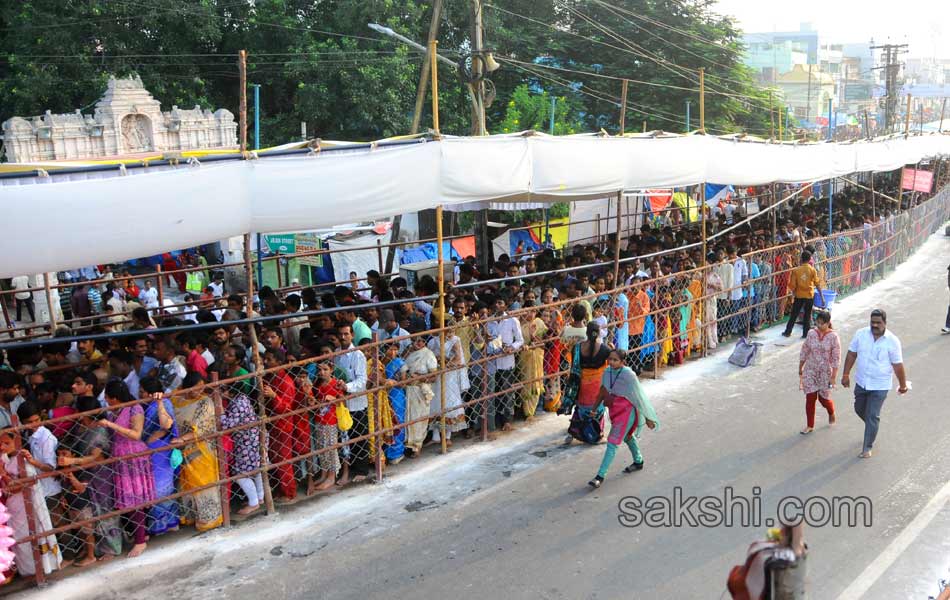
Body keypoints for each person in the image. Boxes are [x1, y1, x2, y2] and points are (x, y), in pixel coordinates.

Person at [56, 395, 123, 561]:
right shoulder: (81, 429)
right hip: (87, 475)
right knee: (92, 512)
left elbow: (96, 457)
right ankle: (98, 548)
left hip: (101, 475)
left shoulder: (99, 430)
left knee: (105, 510)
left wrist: (73, 461)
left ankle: (112, 548)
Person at [841, 309, 908, 458]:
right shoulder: (861, 334)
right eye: (873, 322)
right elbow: (852, 353)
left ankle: (867, 447)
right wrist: (845, 374)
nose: (875, 325)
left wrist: (903, 385)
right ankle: (872, 427)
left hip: (880, 386)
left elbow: (898, 365)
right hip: (862, 382)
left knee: (872, 415)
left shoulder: (892, 341)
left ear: (885, 323)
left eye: (878, 322)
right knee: (859, 409)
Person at [587, 349, 659, 488]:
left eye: (615, 360)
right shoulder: (607, 373)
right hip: (615, 410)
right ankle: (638, 461)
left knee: (612, 442)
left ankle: (600, 476)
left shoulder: (629, 375)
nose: (612, 362)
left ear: (622, 361)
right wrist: (594, 409)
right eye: (610, 359)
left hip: (627, 412)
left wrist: (648, 417)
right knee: (627, 436)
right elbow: (602, 391)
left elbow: (638, 396)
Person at [99, 379, 154, 558]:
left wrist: (111, 425)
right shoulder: (113, 411)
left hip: (133, 456)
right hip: (120, 458)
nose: (106, 400)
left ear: (115, 398)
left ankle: (140, 541)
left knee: (135, 498)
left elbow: (136, 434)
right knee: (129, 498)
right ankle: (142, 534)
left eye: (107, 397)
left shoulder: (134, 408)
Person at [0, 428, 63, 577]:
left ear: (17, 441)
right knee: (20, 538)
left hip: (28, 505)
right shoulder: (5, 458)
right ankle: (29, 570)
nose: (2, 447)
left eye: (6, 443)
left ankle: (41, 570)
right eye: (0, 443)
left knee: (33, 534)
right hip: (14, 506)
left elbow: (23, 484)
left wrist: (4, 475)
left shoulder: (23, 459)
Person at [170, 373, 222, 532]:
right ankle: (191, 516)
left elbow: (203, 427)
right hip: (181, 449)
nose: (198, 391)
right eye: (195, 387)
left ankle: (209, 519)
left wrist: (183, 439)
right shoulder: (176, 399)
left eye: (201, 387)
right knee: (185, 483)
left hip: (201, 449)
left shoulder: (205, 402)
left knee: (203, 483)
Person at [139, 376, 180, 535]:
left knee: (161, 488)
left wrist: (160, 402)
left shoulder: (163, 404)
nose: (140, 394)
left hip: (161, 451)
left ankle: (166, 524)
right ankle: (167, 523)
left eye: (142, 392)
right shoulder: (149, 406)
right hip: (156, 451)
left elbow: (166, 425)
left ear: (150, 393)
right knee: (159, 487)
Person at [563, 322, 610, 445]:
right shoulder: (605, 349)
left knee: (580, 408)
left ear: (586, 333)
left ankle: (573, 432)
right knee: (597, 409)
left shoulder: (577, 348)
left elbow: (574, 366)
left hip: (582, 384)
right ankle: (597, 433)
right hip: (597, 386)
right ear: (599, 333)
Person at [219, 389, 263, 517]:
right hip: (251, 438)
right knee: (256, 468)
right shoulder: (242, 397)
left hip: (246, 441)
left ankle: (254, 502)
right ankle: (259, 497)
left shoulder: (238, 403)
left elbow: (226, 425)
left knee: (240, 474)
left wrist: (220, 408)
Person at [428, 317, 470, 445]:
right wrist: (438, 361)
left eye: (452, 331)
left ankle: (447, 436)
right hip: (438, 373)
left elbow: (458, 359)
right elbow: (431, 355)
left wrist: (446, 364)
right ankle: (436, 436)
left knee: (449, 401)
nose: (450, 334)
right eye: (448, 330)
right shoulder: (435, 340)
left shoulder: (455, 340)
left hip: (449, 374)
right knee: (436, 400)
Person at [486, 296, 524, 432]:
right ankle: (495, 420)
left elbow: (520, 340)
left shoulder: (512, 320)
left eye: (500, 302)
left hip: (507, 360)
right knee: (494, 391)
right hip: (492, 360)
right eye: (495, 302)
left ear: (505, 305)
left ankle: (508, 419)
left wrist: (511, 348)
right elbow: (487, 340)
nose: (497, 305)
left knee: (507, 390)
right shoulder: (489, 321)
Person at [798, 310, 840, 434]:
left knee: (823, 399)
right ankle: (810, 425)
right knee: (810, 397)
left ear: (828, 323)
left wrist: (833, 376)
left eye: (822, 323)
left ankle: (831, 411)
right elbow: (805, 349)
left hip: (825, 372)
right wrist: (801, 366)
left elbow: (836, 357)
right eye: (818, 323)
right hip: (810, 369)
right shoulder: (811, 333)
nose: (819, 326)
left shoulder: (833, 337)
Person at [306, 361, 344, 494]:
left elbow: (341, 400)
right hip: (319, 419)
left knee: (330, 447)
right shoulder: (318, 384)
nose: (322, 372)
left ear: (332, 370)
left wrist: (332, 399)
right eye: (320, 369)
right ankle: (324, 473)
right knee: (321, 446)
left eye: (325, 369)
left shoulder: (335, 384)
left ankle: (332, 476)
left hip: (330, 420)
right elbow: (317, 402)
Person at [404, 334, 437, 456]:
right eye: (415, 341)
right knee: (408, 417)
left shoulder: (428, 354)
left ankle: (417, 446)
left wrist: (420, 377)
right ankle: (408, 444)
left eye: (420, 341)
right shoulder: (409, 354)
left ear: (425, 342)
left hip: (421, 391)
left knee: (420, 418)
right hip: (409, 390)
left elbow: (434, 377)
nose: (417, 344)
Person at [782, 251, 821, 339]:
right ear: (809, 259)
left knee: (794, 315)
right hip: (809, 296)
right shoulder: (812, 270)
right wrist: (822, 297)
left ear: (801, 259)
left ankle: (788, 332)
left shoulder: (796, 270)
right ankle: (805, 334)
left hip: (799, 296)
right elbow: (817, 284)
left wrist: (793, 294)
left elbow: (792, 285)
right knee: (807, 315)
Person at [517, 306, 547, 421]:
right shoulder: (520, 325)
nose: (531, 314)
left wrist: (534, 336)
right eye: (528, 311)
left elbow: (544, 342)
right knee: (526, 382)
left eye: (533, 311)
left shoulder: (539, 322)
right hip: (525, 358)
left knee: (537, 381)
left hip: (538, 355)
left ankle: (532, 411)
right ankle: (527, 412)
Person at [383, 342, 408, 463]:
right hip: (384, 396)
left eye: (395, 350)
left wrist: (391, 382)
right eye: (390, 349)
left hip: (396, 395)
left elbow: (403, 383)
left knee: (397, 421)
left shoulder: (400, 363)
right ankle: (387, 452)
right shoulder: (381, 363)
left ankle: (397, 453)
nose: (392, 353)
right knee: (386, 423)